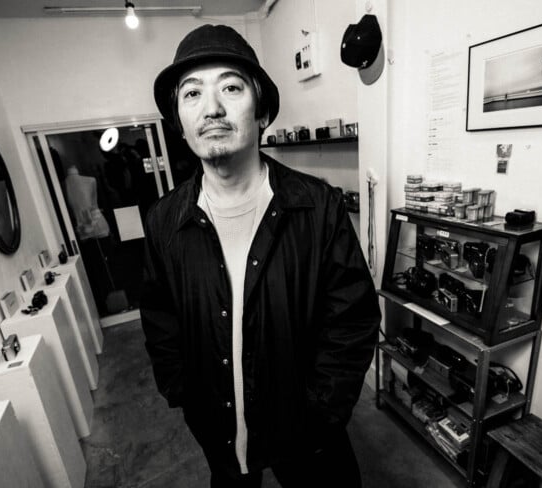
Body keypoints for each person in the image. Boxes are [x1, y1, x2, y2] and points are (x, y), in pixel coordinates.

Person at [140, 24, 381, 488]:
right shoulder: (163, 222)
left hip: (308, 435)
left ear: (262, 109)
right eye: (192, 94)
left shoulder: (317, 207)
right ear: (180, 121)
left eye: (230, 87)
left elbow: (351, 320)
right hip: (218, 428)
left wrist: (321, 412)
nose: (211, 108)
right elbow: (160, 319)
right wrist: (183, 393)